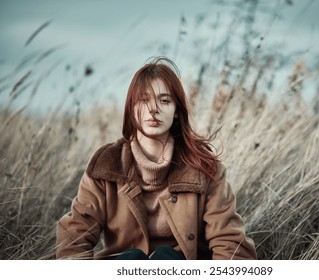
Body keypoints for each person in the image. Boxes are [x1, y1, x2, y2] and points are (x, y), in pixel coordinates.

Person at [56, 57, 257, 260]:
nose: (154, 109)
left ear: (177, 112)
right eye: (144, 100)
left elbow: (230, 243)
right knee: (132, 258)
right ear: (132, 108)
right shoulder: (107, 166)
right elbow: (74, 237)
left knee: (165, 256)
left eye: (164, 100)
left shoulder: (204, 169)